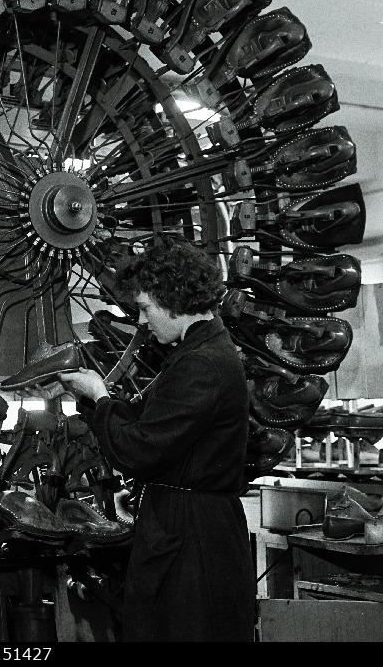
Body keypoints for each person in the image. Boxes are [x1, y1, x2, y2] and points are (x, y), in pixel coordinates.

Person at [58, 234, 256, 642]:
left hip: (192, 535)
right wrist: (96, 401)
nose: (143, 321)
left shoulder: (202, 364)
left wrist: (99, 398)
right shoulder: (197, 352)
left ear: (174, 300)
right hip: (187, 523)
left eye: (147, 308)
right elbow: (150, 420)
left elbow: (139, 449)